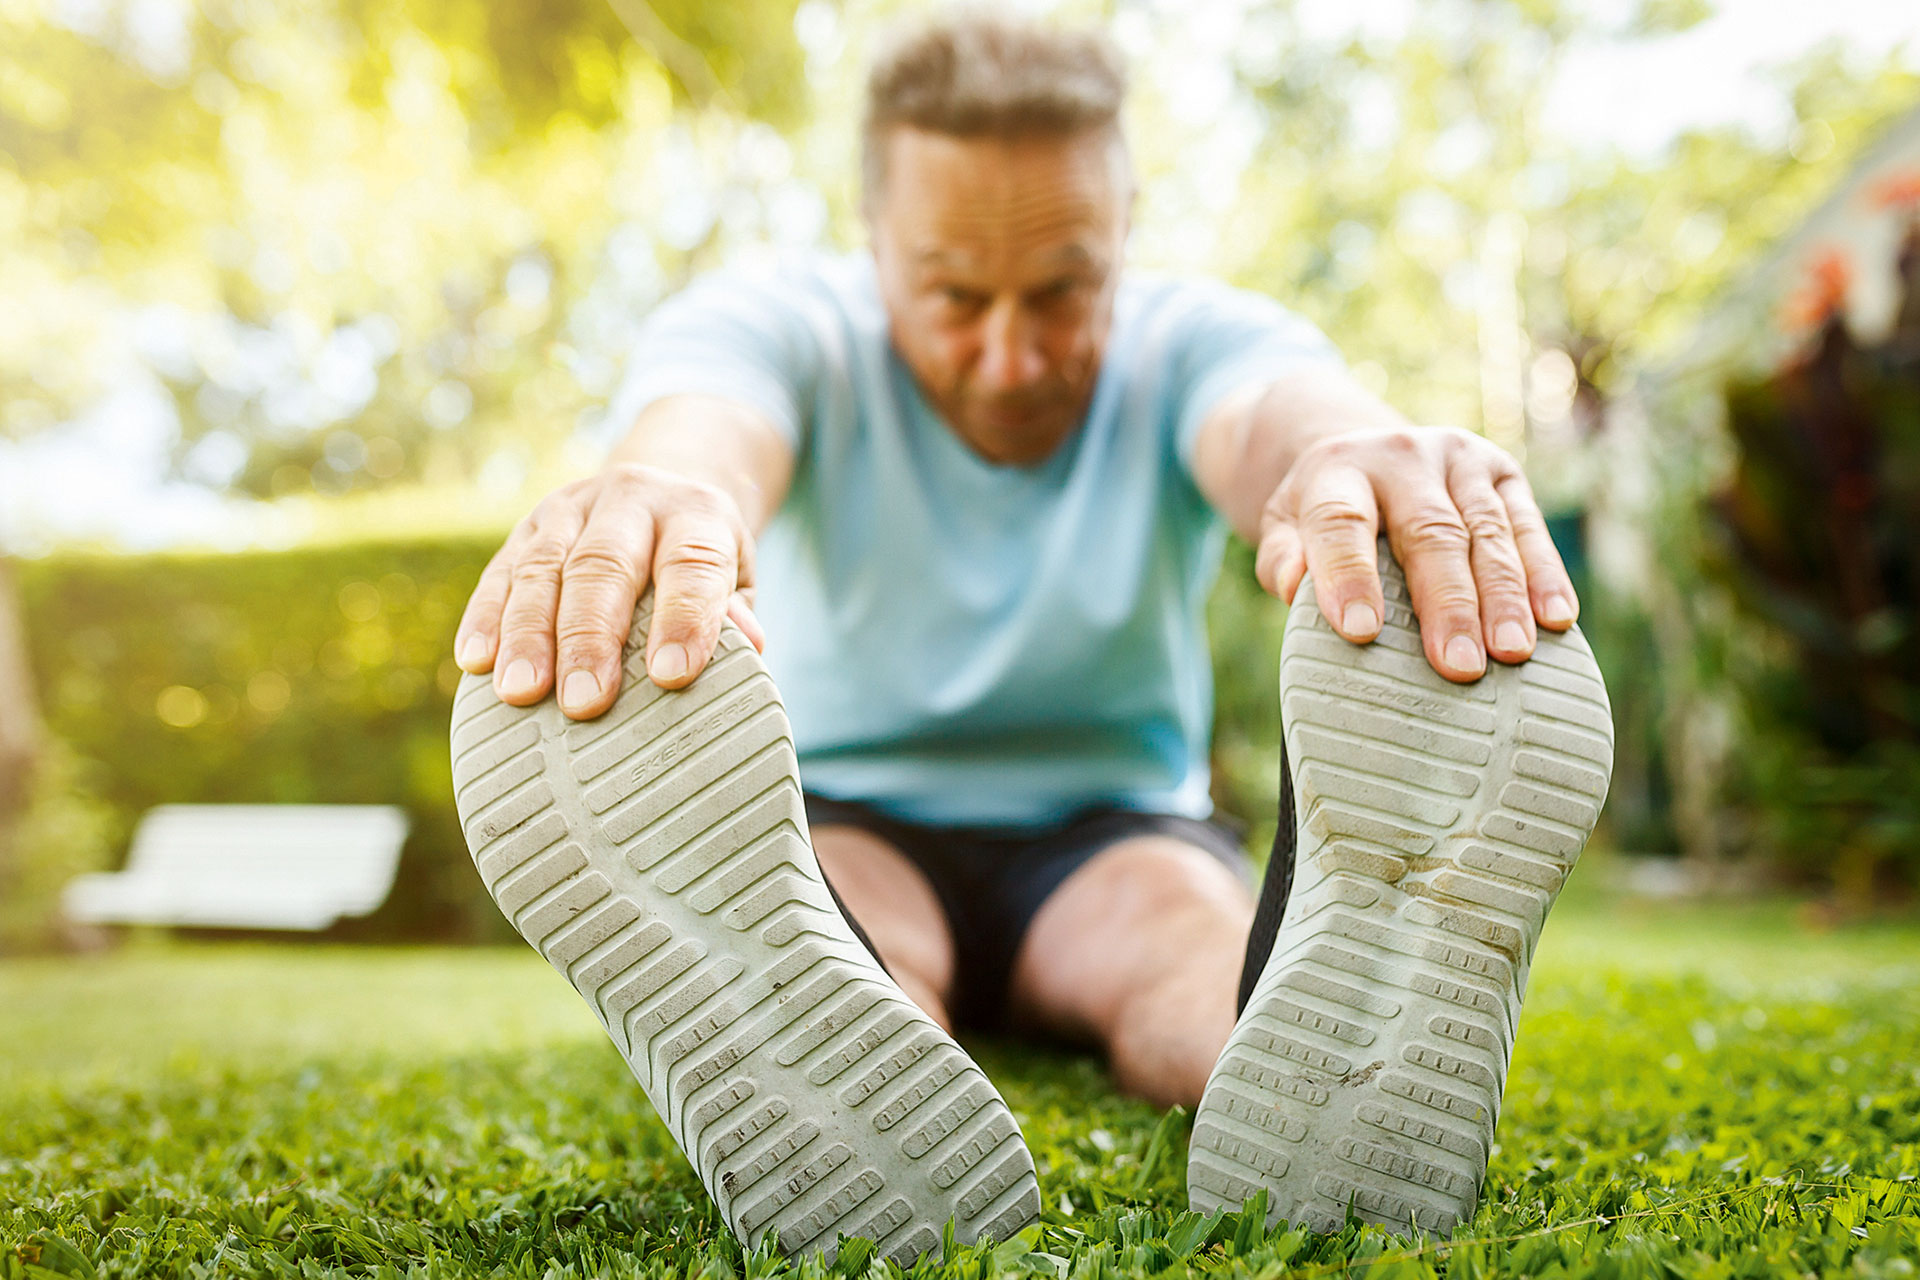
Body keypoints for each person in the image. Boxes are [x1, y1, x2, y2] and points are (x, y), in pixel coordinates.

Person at [449, 12, 1608, 1260]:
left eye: (1063, 291)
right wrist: (667, 494)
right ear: (876, 246)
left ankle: (1332, 1082)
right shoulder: (781, 326)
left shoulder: (1186, 337)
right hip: (840, 824)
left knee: (1201, 991)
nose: (1010, 356)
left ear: (1121, 242)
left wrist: (1349, 457)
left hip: (1112, 832)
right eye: (954, 294)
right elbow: (712, 426)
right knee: (869, 966)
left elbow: (1277, 413)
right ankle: (844, 1041)